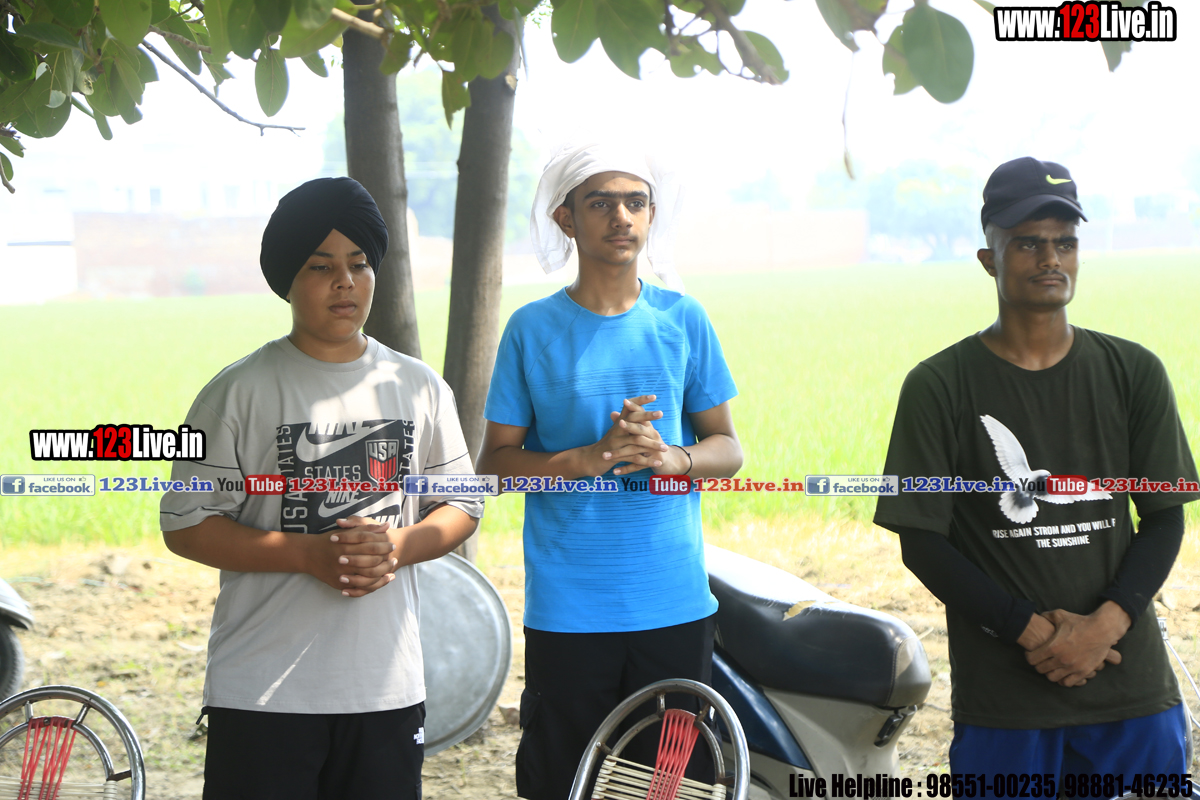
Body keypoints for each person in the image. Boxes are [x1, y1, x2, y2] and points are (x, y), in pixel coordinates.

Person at [874, 157, 1199, 777]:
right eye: (1028, 243)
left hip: (1128, 687)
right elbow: (922, 541)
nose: (1051, 258)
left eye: (1065, 243)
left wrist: (1104, 627)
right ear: (988, 258)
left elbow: (1164, 519)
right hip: (1006, 701)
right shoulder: (939, 385)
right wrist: (1029, 631)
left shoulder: (1134, 372)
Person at [160, 177, 482, 800]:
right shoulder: (236, 393)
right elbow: (188, 523)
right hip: (261, 691)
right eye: (321, 266)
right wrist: (305, 554)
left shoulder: (418, 387)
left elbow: (461, 504)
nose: (345, 282)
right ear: (288, 278)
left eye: (359, 264)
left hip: (384, 688)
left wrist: (399, 546)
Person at [475, 142, 744, 799]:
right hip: (569, 610)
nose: (621, 217)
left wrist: (673, 457)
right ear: (565, 219)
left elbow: (727, 449)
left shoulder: (683, 319)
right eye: (600, 203)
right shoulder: (531, 330)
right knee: (567, 781)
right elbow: (497, 467)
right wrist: (589, 459)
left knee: (671, 786)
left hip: (674, 603)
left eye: (635, 202)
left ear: (651, 215)